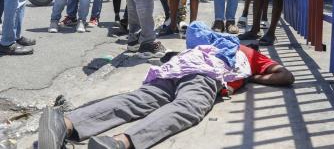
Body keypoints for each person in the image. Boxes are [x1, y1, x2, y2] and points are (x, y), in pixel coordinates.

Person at [37, 23, 294, 149]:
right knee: (187, 107)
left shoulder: (206, 44)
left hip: (175, 67)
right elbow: (285, 76)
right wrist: (252, 77)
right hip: (205, 74)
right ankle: (120, 143)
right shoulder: (250, 54)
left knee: (136, 100)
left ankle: (66, 122)